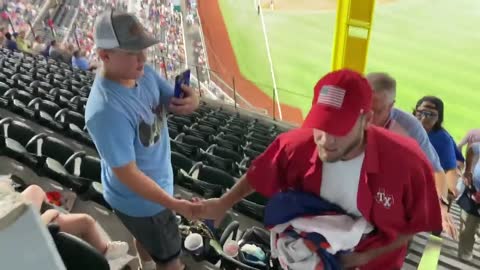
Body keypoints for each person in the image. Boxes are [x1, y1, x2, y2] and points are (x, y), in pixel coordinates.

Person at [194, 69, 442, 269]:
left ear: (366, 120)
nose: (325, 139)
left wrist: (362, 258)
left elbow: (415, 225)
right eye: (320, 124)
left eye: (339, 128)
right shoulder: (297, 145)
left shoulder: (408, 162)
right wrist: (223, 203)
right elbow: (259, 174)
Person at [85, 11, 201, 270]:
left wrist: (192, 101)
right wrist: (175, 204)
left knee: (146, 241)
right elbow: (129, 175)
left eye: (143, 50)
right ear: (105, 55)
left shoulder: (143, 72)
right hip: (145, 203)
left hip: (146, 198)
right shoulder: (105, 110)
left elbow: (172, 101)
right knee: (171, 262)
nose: (143, 59)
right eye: (132, 52)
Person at [367, 72, 458, 238]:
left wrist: (442, 207)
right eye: (364, 108)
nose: (368, 118)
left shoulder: (410, 127)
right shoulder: (350, 112)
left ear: (391, 106)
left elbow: (436, 170)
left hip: (391, 196)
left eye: (377, 111)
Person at [19, 184, 129, 260]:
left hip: (15, 221)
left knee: (35, 189)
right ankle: (105, 251)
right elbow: (31, 227)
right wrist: (50, 213)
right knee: (86, 221)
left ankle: (53, 204)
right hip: (23, 235)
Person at [457, 143, 480, 261]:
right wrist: (468, 170)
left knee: (471, 226)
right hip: (475, 192)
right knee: (469, 226)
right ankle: (465, 253)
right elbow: (471, 150)